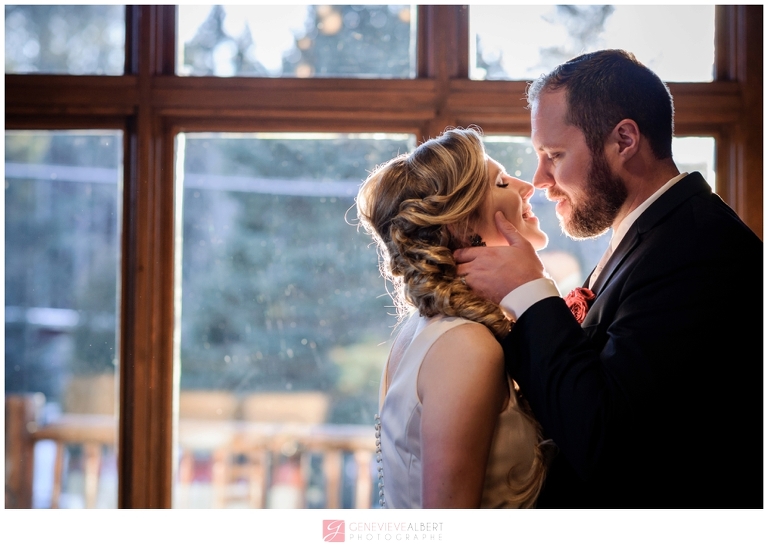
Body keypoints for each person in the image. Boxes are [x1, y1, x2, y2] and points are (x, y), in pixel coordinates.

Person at [455, 49, 763, 508]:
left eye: (554, 155)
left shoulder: (699, 247)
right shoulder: (650, 234)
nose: (539, 179)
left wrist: (532, 294)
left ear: (624, 140)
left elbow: (609, 442)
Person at [356, 127, 549, 508]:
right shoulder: (464, 345)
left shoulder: (422, 330)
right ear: (461, 225)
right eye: (501, 181)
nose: (526, 185)